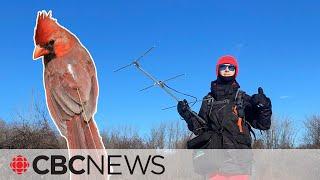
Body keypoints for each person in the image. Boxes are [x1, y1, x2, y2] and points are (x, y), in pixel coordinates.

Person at [177, 55, 272, 179]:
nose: (227, 69)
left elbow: (263, 124)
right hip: (214, 163)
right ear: (218, 70)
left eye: (231, 67)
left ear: (235, 71)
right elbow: (200, 130)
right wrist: (187, 115)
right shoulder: (208, 100)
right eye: (223, 67)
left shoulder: (242, 98)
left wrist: (264, 107)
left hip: (239, 164)